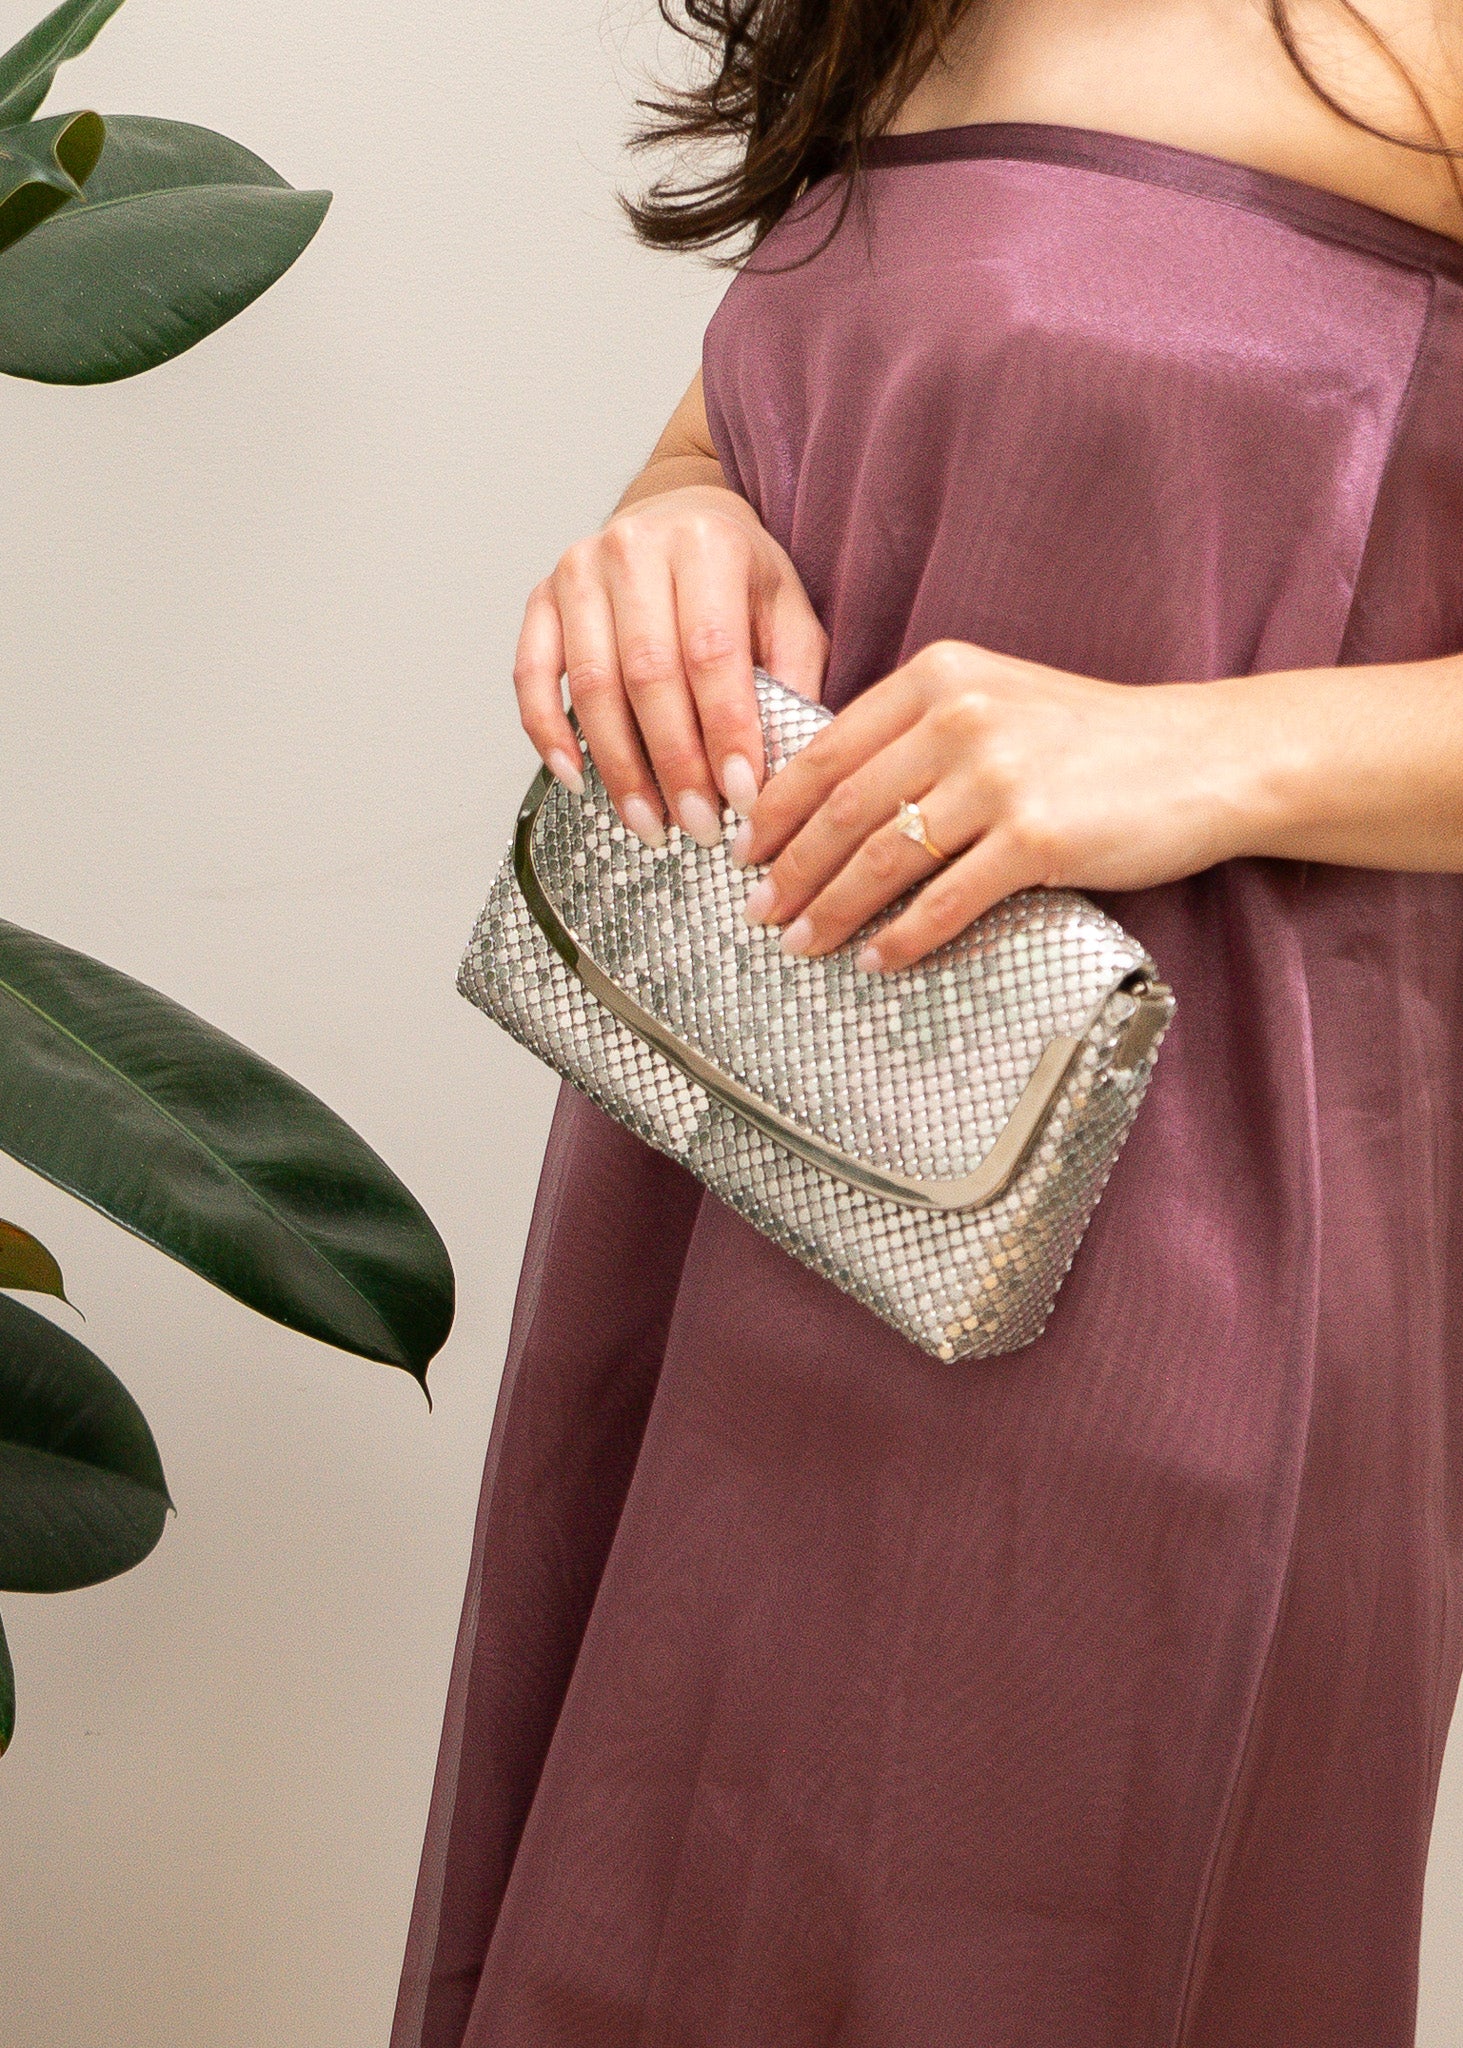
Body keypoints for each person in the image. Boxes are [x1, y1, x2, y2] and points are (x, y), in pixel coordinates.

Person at [393, 1, 1463, 2041]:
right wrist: (679, 521)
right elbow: (797, 408)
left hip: (1169, 1258)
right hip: (741, 1184)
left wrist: (1193, 757)